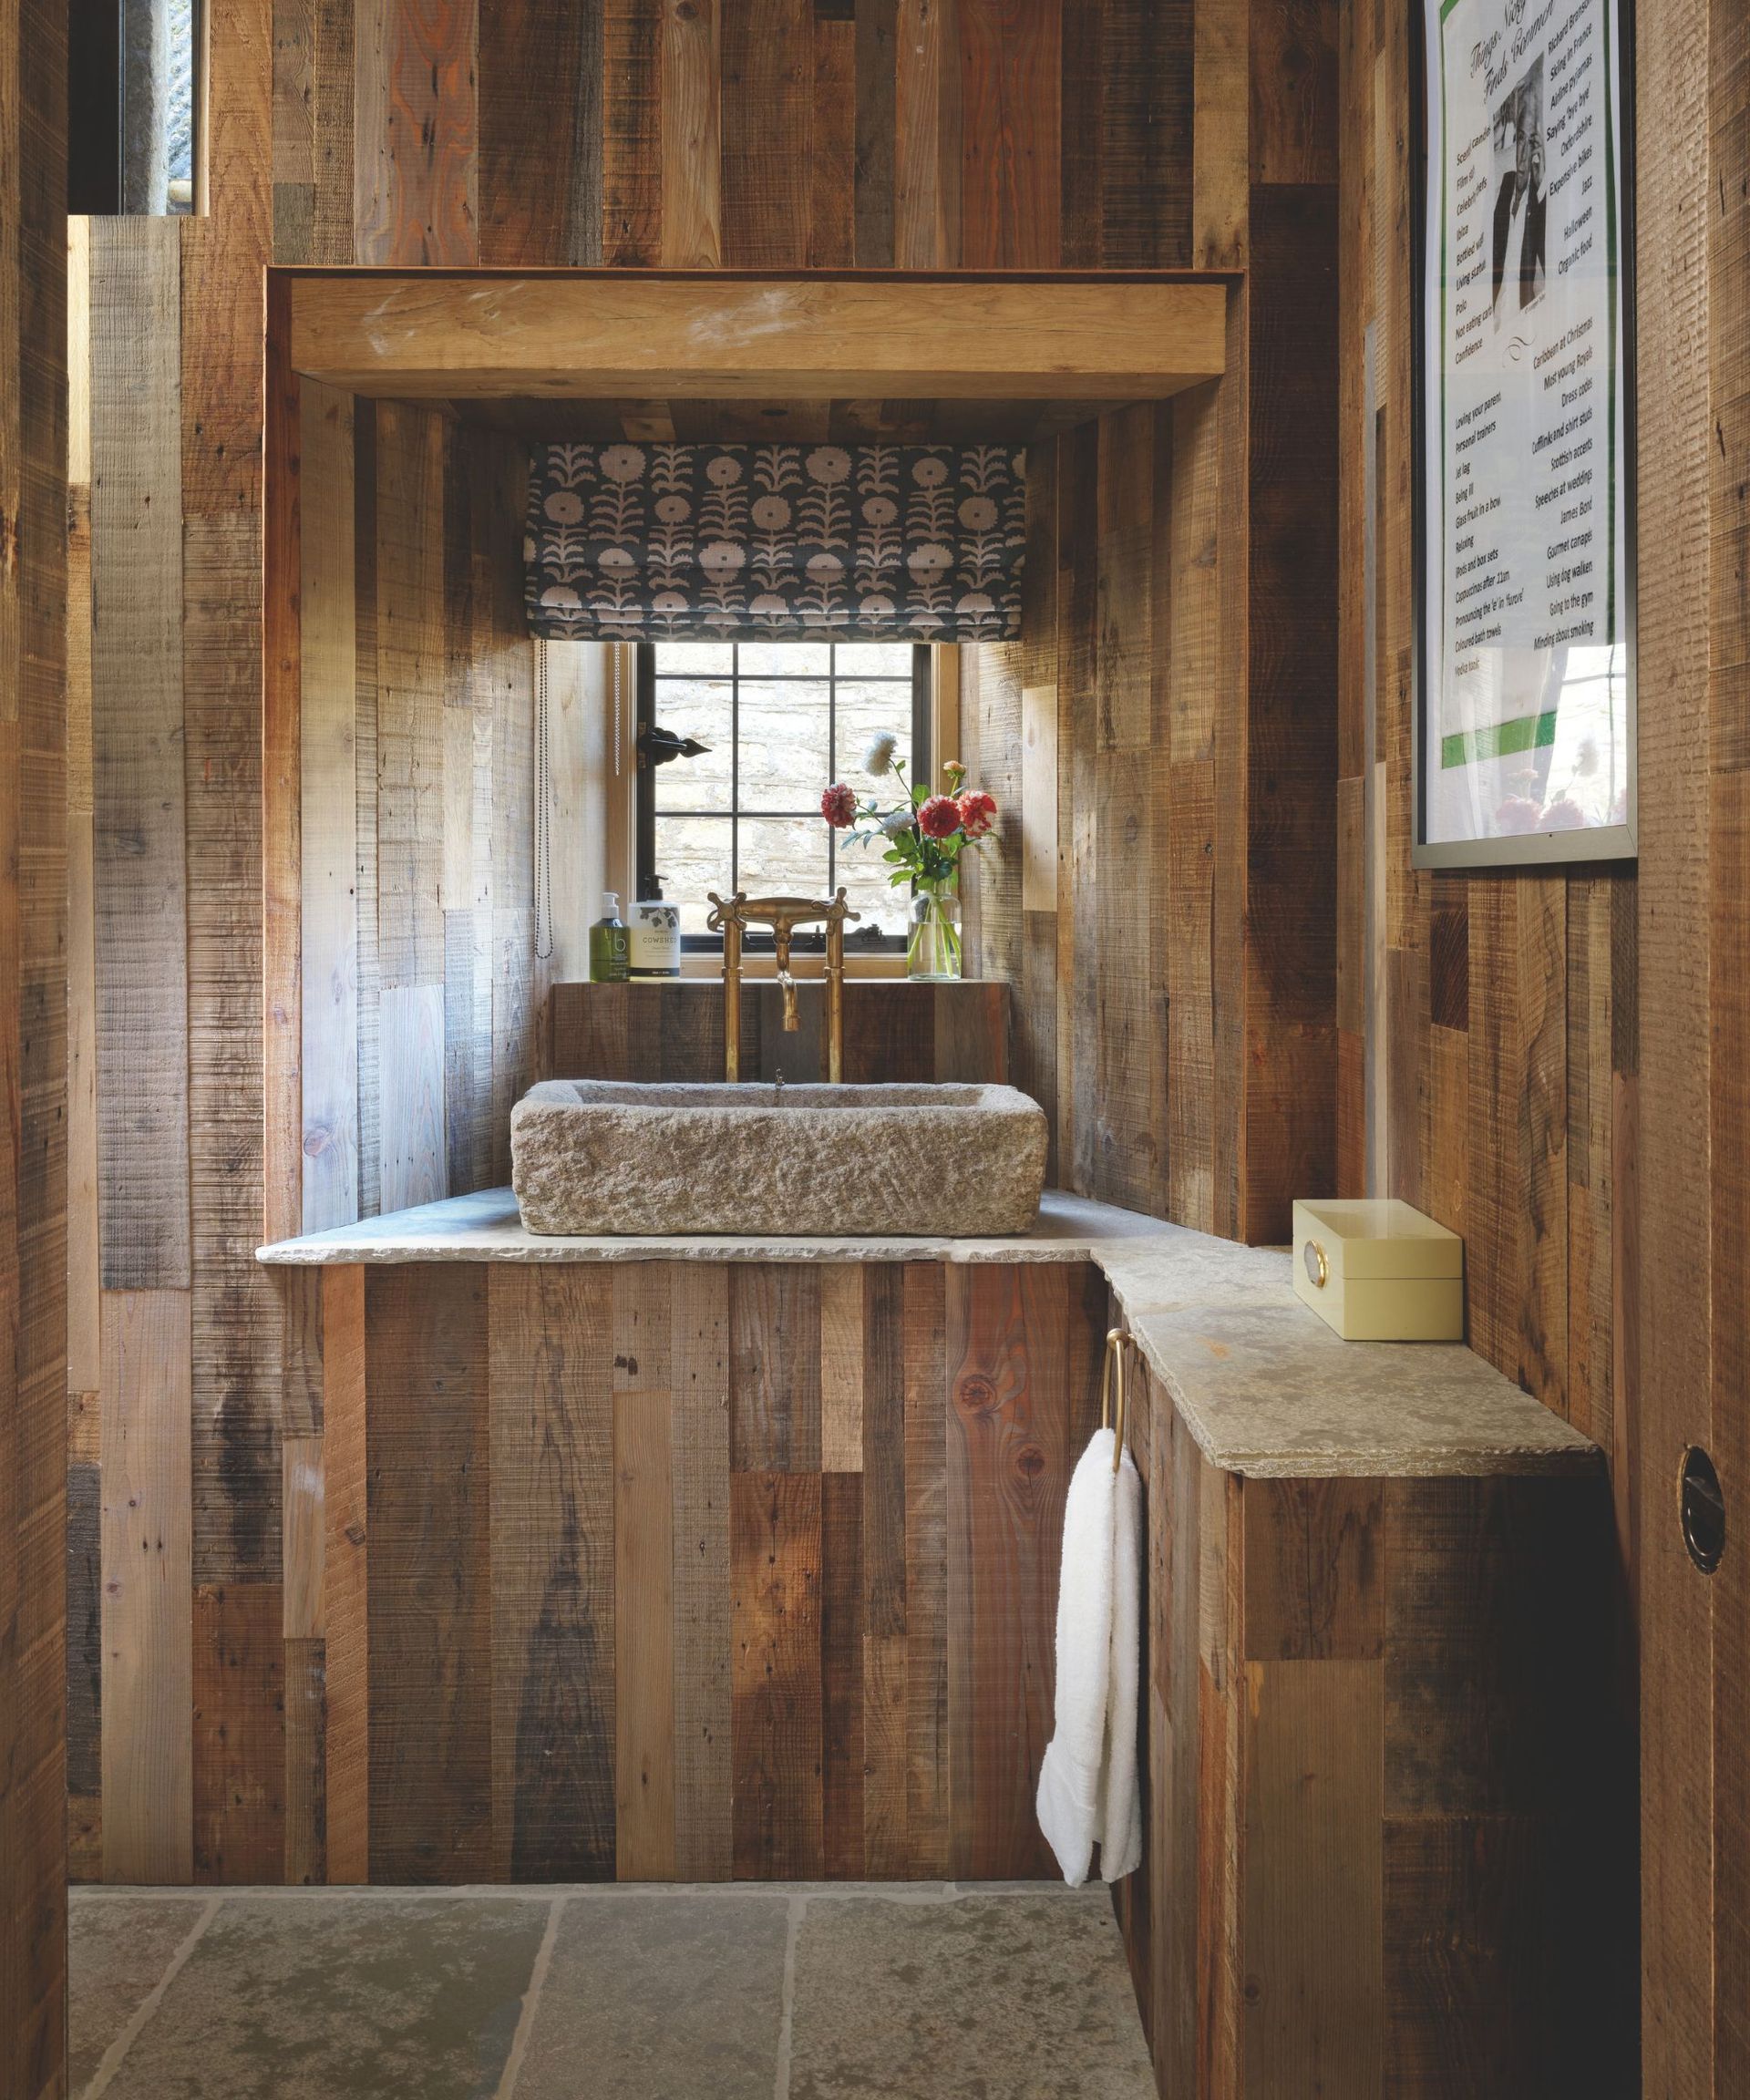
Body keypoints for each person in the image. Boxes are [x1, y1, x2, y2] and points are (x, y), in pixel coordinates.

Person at [1492, 86, 1546, 316]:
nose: (1523, 154)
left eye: (1532, 143)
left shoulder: (1540, 204)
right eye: (1521, 140)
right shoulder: (1503, 188)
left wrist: (1542, 185)